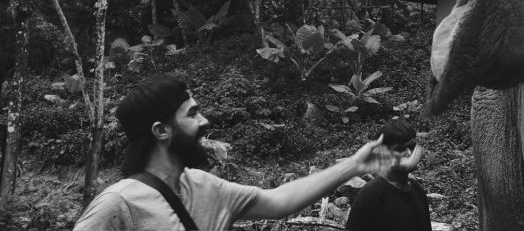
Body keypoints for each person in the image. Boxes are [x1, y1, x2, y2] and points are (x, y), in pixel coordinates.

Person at [73, 74, 420, 231]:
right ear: (161, 131)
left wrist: (355, 164)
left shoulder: (203, 187)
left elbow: (279, 202)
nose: (204, 121)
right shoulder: (118, 206)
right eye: (192, 114)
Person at [345, 117, 432, 231]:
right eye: (400, 149)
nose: (409, 152)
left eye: (411, 146)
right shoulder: (371, 195)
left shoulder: (418, 190)